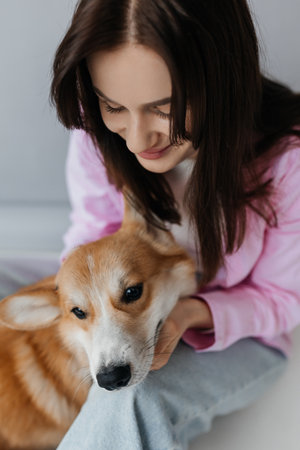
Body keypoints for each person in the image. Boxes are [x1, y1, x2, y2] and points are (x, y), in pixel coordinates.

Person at [50, 0, 300, 448]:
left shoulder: (288, 162)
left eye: (165, 108)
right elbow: (91, 232)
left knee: (133, 398)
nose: (138, 139)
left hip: (238, 334)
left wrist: (188, 314)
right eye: (114, 105)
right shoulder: (97, 128)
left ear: (223, 79)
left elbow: (282, 298)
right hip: (122, 312)